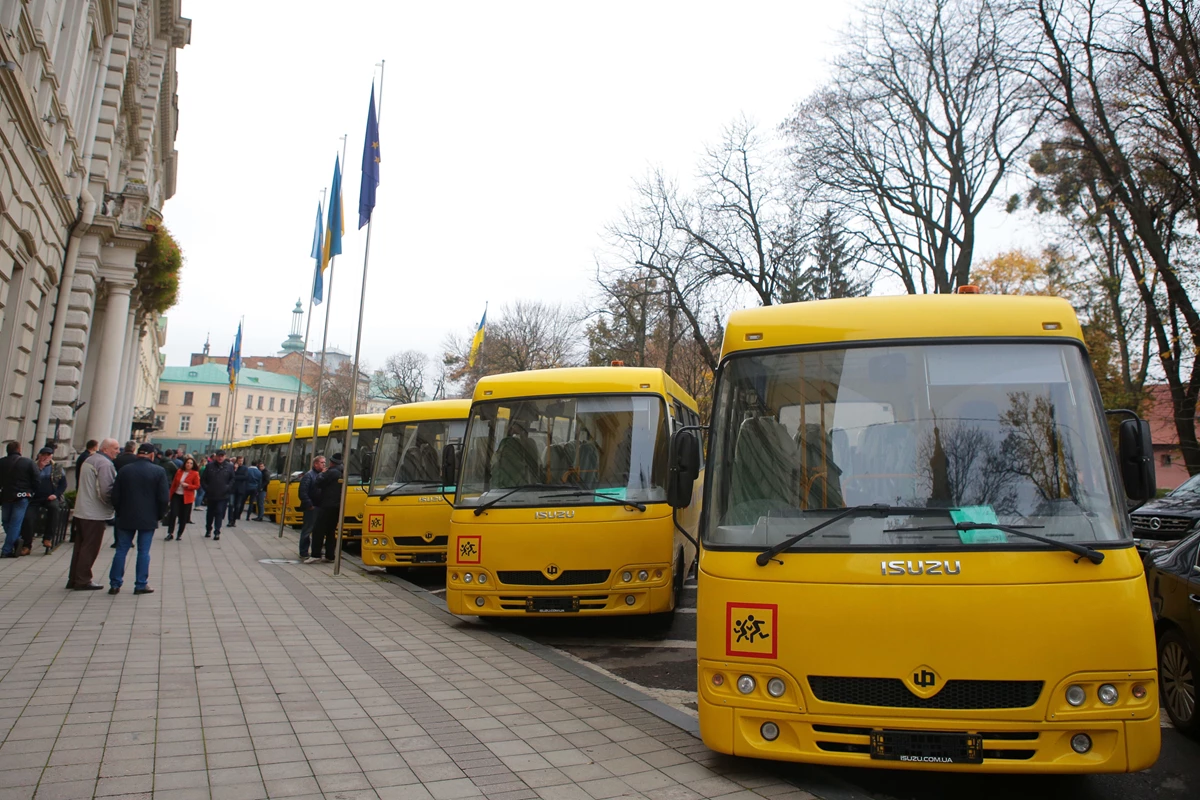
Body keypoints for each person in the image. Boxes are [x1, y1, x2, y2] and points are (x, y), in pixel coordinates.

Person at [107, 443, 169, 595]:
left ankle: (115, 584)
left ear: (137, 453)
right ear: (152, 455)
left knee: (121, 550)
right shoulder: (159, 471)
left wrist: (119, 511)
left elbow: (115, 495)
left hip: (126, 515)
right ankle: (140, 584)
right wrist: (159, 515)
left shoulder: (124, 470)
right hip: (148, 517)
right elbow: (163, 498)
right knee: (143, 551)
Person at [69, 438, 119, 589]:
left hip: (82, 510)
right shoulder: (104, 463)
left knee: (80, 546)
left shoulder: (90, 459)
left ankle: (74, 578)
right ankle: (83, 580)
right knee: (90, 547)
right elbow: (105, 490)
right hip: (93, 512)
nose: (118, 451)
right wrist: (112, 504)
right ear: (105, 449)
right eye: (115, 448)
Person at [21, 447, 66, 555]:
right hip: (35, 498)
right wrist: (39, 469)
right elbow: (27, 482)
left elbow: (63, 484)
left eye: (48, 455)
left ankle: (48, 538)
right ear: (39, 455)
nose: (46, 457)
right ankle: (27, 545)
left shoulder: (57, 467)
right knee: (28, 518)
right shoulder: (33, 466)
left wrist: (55, 495)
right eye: (44, 455)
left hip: (50, 496)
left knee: (54, 509)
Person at [0, 441, 40, 558]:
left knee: (6, 522)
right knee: (15, 524)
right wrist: (31, 492)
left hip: (6, 496)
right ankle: (7, 549)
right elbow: (37, 479)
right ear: (19, 449)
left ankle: (13, 542)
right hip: (22, 496)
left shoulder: (1, 462)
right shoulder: (28, 462)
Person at [311, 452, 344, 563]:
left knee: (318, 530)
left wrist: (322, 474)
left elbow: (318, 482)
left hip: (327, 505)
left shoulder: (331, 472)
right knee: (331, 531)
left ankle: (316, 554)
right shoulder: (343, 471)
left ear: (331, 462)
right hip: (337, 505)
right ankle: (330, 555)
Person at [200, 450, 235, 540]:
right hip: (211, 494)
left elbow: (232, 479)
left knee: (219, 512)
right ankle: (208, 529)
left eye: (222, 456)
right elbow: (203, 480)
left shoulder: (229, 467)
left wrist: (228, 488)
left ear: (225, 456)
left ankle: (217, 531)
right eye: (219, 456)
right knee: (210, 513)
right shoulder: (209, 466)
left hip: (223, 495)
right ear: (216, 456)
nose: (220, 457)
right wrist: (207, 489)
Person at [164, 456, 200, 541]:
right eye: (187, 463)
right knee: (173, 514)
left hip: (187, 497)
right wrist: (170, 495)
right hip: (177, 495)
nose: (189, 464)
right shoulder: (179, 471)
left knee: (183, 516)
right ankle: (170, 533)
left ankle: (179, 534)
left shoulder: (195, 473)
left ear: (193, 465)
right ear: (185, 463)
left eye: (191, 463)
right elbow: (173, 484)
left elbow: (197, 486)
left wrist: (188, 486)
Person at [297, 455, 326, 563]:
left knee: (318, 530)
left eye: (324, 462)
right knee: (307, 529)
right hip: (312, 507)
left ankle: (316, 550)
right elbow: (302, 492)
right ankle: (303, 551)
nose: (324, 464)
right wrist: (309, 504)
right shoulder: (309, 476)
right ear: (316, 464)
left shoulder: (321, 475)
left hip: (320, 506)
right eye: (322, 462)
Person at [228, 457, 250, 528]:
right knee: (231, 505)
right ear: (237, 461)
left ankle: (234, 520)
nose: (240, 462)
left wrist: (236, 476)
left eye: (242, 461)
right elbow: (230, 476)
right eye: (239, 461)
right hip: (232, 489)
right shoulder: (232, 467)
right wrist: (235, 470)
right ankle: (230, 520)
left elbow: (245, 477)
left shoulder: (245, 468)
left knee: (237, 506)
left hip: (240, 490)